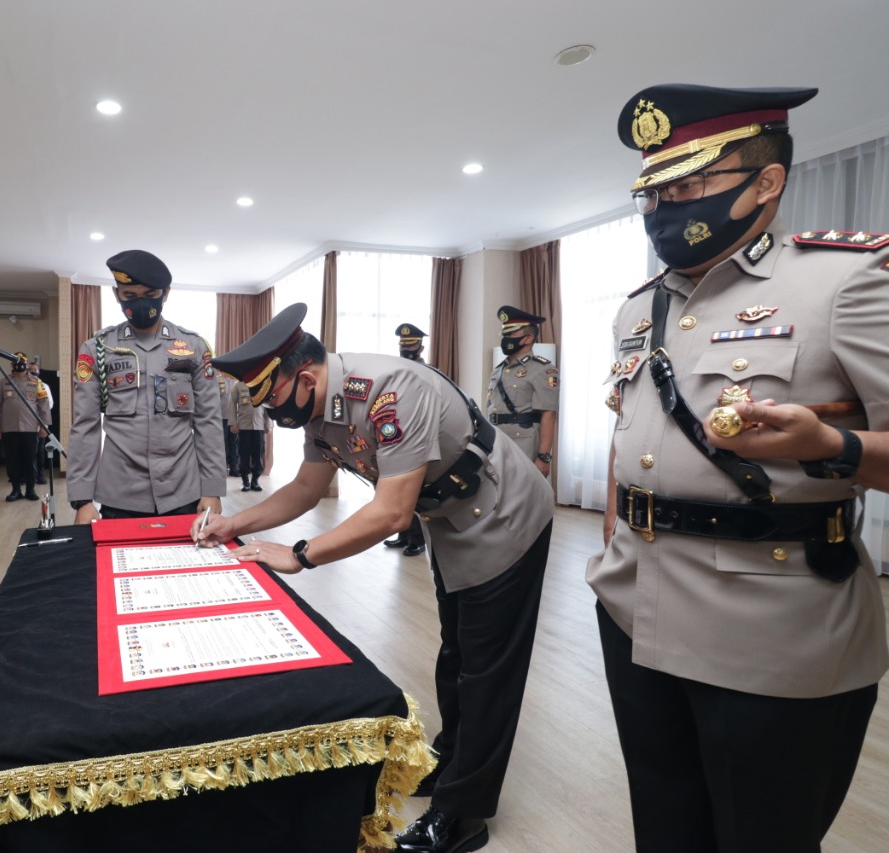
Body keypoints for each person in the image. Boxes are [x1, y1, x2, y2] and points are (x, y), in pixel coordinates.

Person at [588, 84, 889, 852]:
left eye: (688, 184)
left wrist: (832, 446)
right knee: (666, 827)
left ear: (765, 182)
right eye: (653, 192)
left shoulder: (846, 280)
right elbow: (632, 444)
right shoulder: (638, 308)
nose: (663, 207)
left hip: (770, 624)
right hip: (634, 607)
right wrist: (611, 545)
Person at [197, 303, 554, 853]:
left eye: (272, 398)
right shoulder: (320, 408)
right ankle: (452, 761)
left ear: (306, 378)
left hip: (505, 515)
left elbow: (390, 514)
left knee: (487, 668)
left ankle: (463, 814)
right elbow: (306, 488)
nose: (270, 411)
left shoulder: (392, 391)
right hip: (452, 520)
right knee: (457, 653)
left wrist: (301, 554)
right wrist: (234, 525)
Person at [67, 249, 225, 522]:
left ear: (166, 293)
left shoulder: (193, 347)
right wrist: (82, 500)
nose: (140, 303)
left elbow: (208, 421)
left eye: (150, 294)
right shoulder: (97, 349)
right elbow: (85, 426)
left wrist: (212, 489)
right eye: (129, 295)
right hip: (120, 491)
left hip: (183, 489)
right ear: (117, 294)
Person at [485, 307, 558, 477]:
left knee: (522, 491)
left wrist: (544, 457)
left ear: (528, 338)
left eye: (511, 334)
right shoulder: (498, 370)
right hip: (496, 441)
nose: (505, 338)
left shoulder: (543, 369)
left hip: (523, 444)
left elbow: (549, 414)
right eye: (504, 334)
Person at [383, 322, 428, 556]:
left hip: (418, 437)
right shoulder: (395, 373)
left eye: (410, 346)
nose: (405, 350)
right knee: (397, 490)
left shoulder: (428, 374)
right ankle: (403, 534)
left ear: (420, 348)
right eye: (403, 346)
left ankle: (417, 540)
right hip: (397, 436)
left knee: (415, 492)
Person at [0, 352, 53, 502]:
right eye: (16, 361)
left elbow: (44, 406)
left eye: (23, 361)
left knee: (30, 459)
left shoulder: (36, 382)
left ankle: (30, 489)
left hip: (30, 428)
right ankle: (15, 489)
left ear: (27, 364)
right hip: (9, 428)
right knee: (12, 460)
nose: (20, 364)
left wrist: (44, 426)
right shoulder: (4, 382)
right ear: (12, 364)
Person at [229, 379, 266, 492]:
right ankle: (245, 481)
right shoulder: (238, 385)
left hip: (259, 425)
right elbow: (232, 404)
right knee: (244, 453)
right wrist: (233, 423)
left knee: (258, 454)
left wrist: (269, 424)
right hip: (244, 425)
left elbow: (267, 403)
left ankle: (255, 481)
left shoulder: (262, 383)